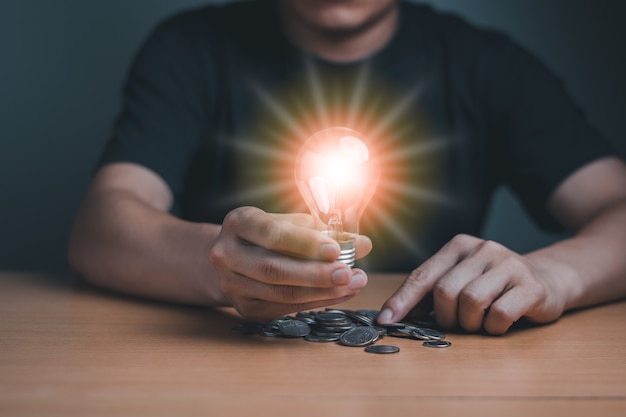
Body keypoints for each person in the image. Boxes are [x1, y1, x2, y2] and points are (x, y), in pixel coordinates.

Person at [68, 0, 626, 335]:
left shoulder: (489, 66)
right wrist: (220, 263)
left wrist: (555, 275)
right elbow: (102, 226)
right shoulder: (191, 49)